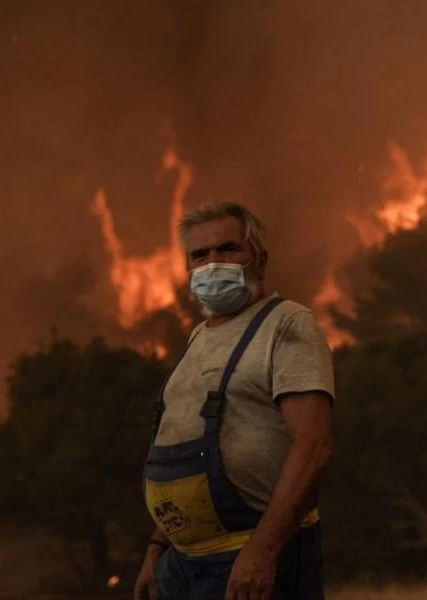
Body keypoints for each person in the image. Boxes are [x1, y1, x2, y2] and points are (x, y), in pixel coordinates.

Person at [133, 201, 335, 600]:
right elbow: (184, 443)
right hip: (182, 564)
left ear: (260, 258)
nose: (212, 263)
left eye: (228, 249)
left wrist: (263, 551)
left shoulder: (286, 323)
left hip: (248, 557)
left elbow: (315, 446)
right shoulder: (199, 337)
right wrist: (158, 548)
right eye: (199, 254)